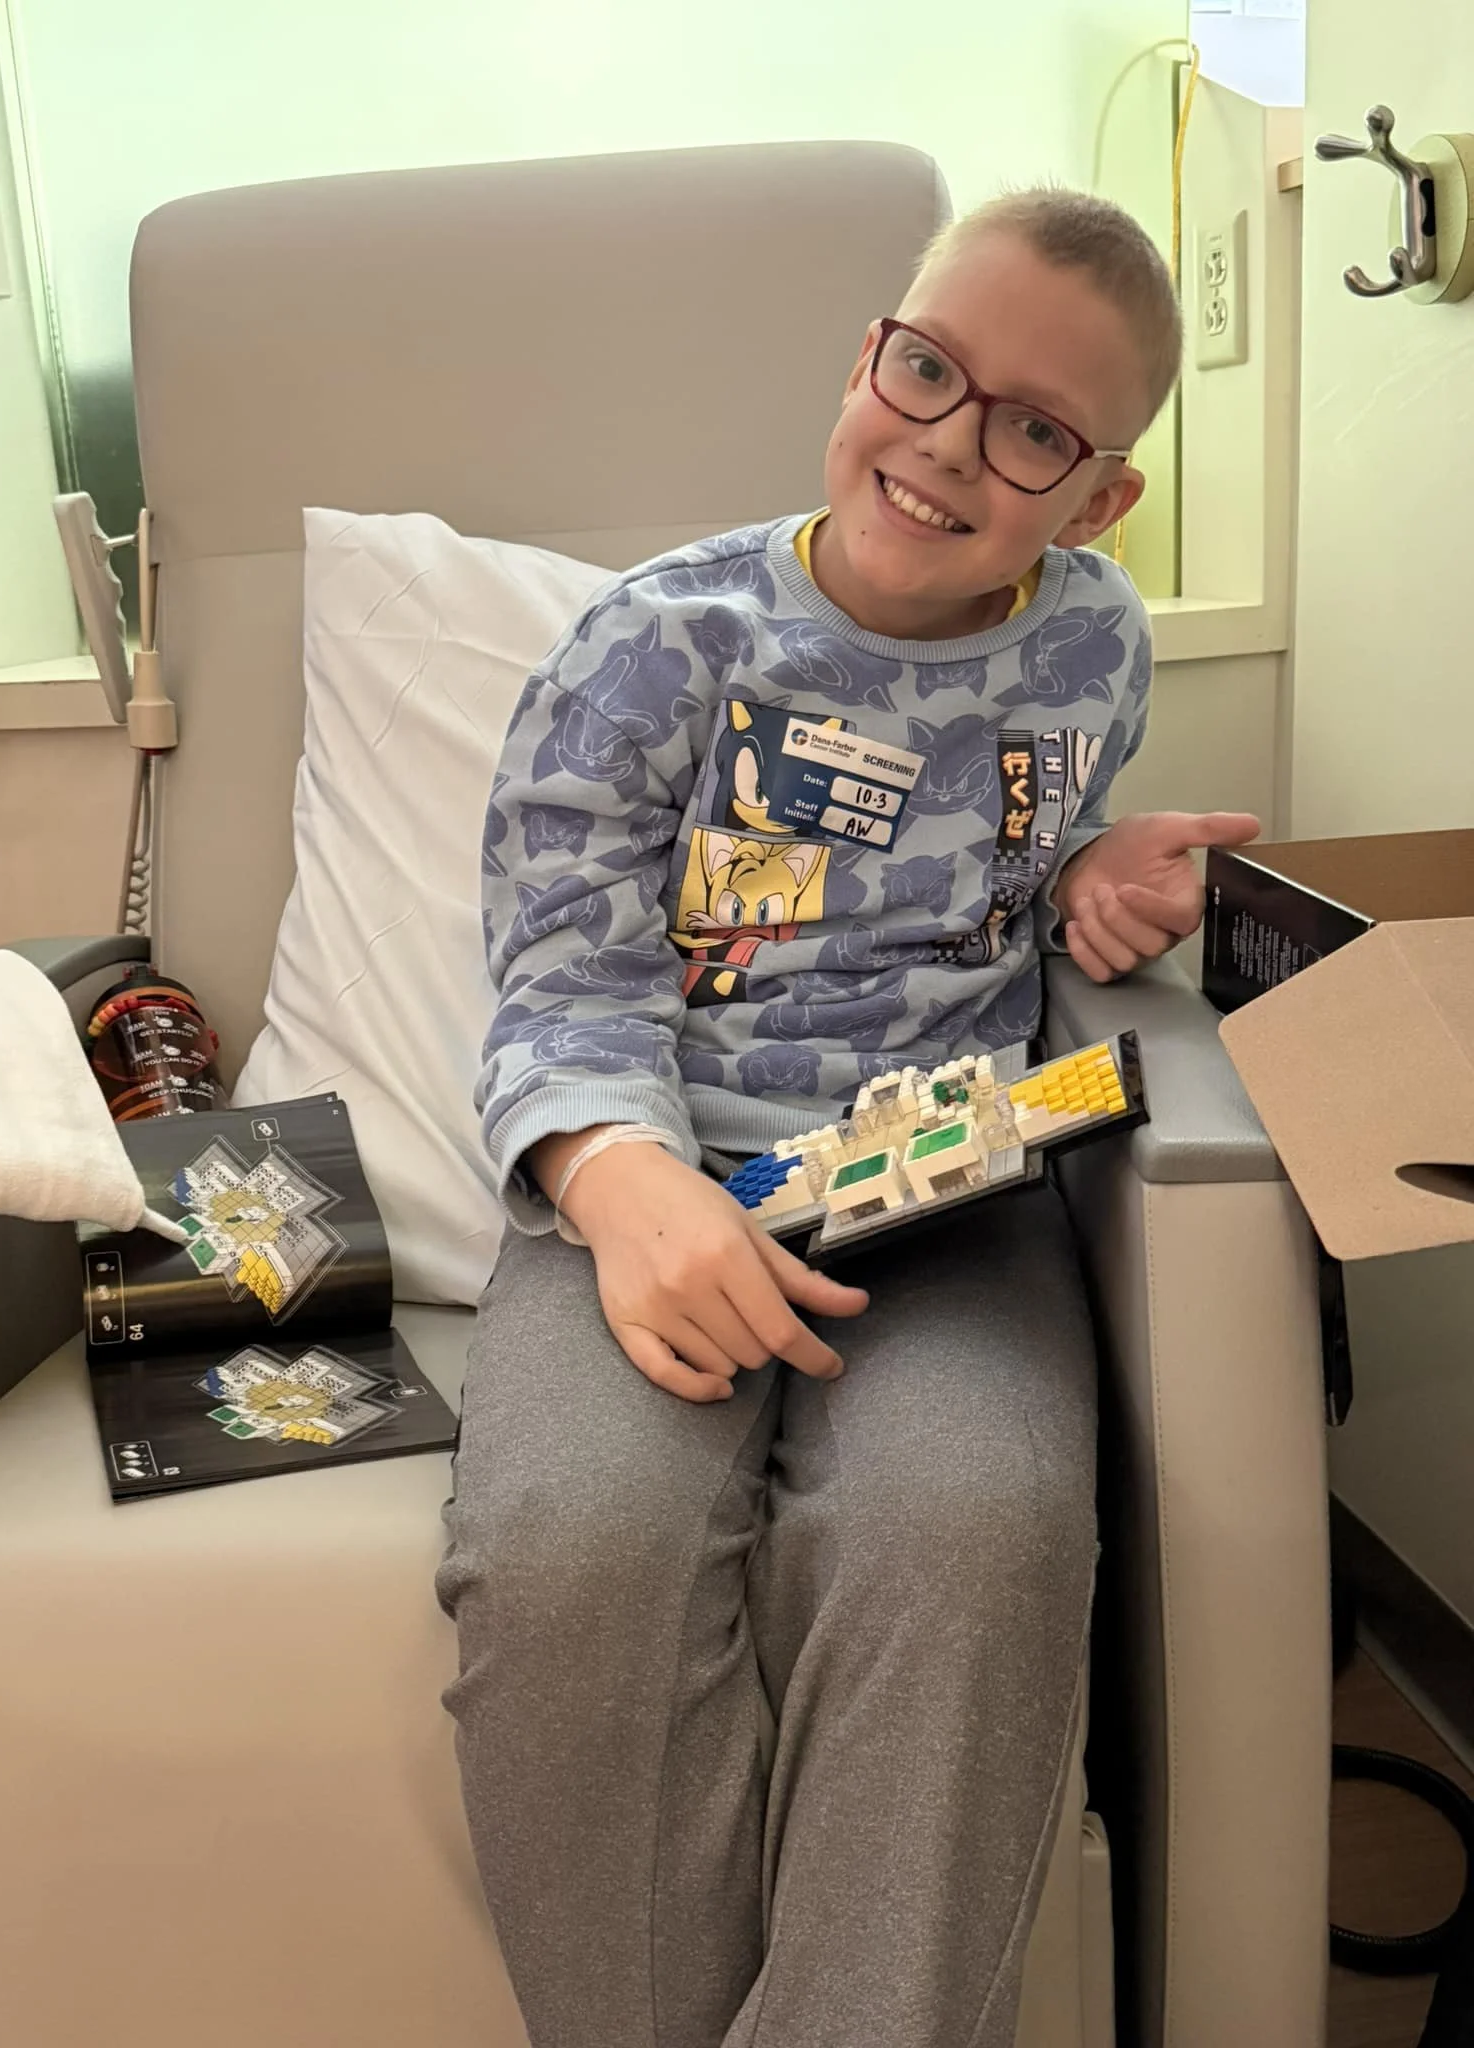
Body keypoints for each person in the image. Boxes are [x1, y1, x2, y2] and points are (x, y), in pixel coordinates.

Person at [438, 187, 1259, 2048]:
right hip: (646, 1176)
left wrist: (1093, 883)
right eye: (929, 371)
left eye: (1036, 428)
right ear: (866, 356)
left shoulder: (1095, 650)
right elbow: (559, 978)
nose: (952, 444)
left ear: (1099, 494)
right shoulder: (651, 648)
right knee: (573, 1561)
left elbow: (998, 879)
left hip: (948, 1198)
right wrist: (622, 1183)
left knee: (981, 1534)